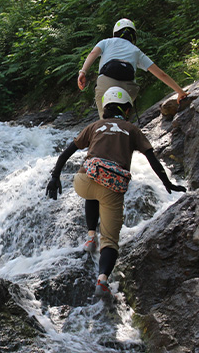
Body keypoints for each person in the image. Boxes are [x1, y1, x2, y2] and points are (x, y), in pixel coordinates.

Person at [45, 87, 186, 298]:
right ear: (127, 110)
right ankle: (102, 280)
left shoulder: (95, 126)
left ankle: (90, 237)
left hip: (84, 181)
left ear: (105, 109)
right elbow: (153, 160)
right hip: (112, 188)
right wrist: (167, 183)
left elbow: (68, 151)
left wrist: (55, 176)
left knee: (92, 192)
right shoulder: (132, 129)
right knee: (110, 240)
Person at [77, 18, 188, 118]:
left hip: (106, 83)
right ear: (133, 36)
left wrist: (83, 72)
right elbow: (161, 74)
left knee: (105, 123)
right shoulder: (136, 51)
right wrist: (180, 92)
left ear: (115, 32)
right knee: (123, 121)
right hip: (128, 87)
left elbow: (92, 54)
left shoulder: (106, 42)